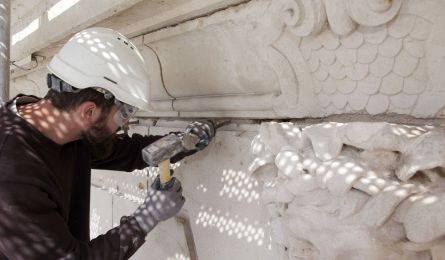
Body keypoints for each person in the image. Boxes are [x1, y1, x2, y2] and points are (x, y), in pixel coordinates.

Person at [0, 27, 215, 259]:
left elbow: (128, 151)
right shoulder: (14, 177)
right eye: (123, 114)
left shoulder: (59, 125)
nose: (124, 125)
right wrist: (146, 217)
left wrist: (184, 142)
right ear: (89, 111)